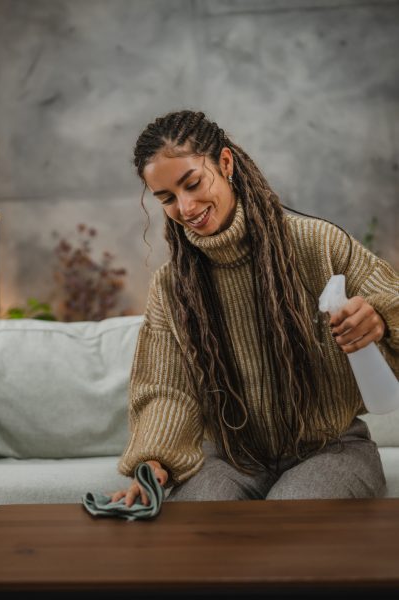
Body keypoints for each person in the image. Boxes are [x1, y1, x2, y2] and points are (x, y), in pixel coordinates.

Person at [111, 109, 398, 507]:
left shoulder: (318, 243)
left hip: (333, 449)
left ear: (225, 163)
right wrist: (155, 460)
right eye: (167, 199)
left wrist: (381, 318)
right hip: (232, 456)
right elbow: (167, 388)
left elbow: (391, 298)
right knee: (194, 527)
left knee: (289, 519)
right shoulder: (171, 285)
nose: (187, 207)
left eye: (192, 183)